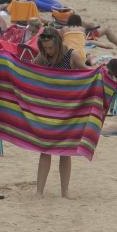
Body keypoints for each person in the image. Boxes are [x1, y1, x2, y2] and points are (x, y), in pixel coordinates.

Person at [33, 27, 88, 199]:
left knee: (66, 151)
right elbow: (28, 71)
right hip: (48, 110)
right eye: (45, 48)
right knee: (45, 150)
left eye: (50, 48)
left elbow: (88, 73)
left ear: (58, 43)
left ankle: (65, 192)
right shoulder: (42, 57)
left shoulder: (72, 56)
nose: (48, 51)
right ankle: (39, 192)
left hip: (69, 111)